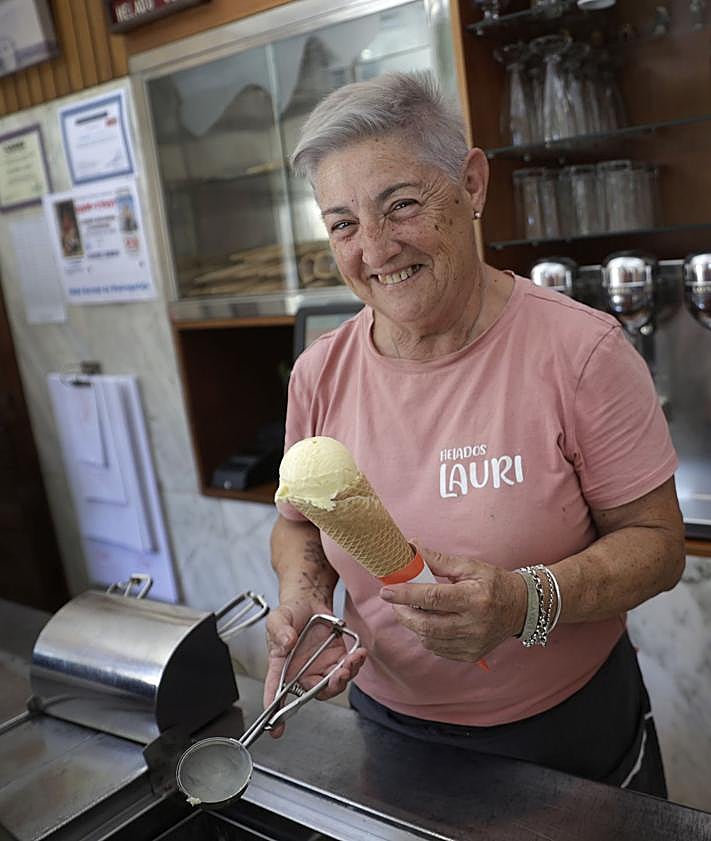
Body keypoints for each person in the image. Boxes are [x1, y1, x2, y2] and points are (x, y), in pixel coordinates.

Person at [265, 72, 685, 796]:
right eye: (342, 224)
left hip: (566, 733)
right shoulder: (318, 373)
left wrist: (525, 601)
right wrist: (304, 600)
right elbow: (301, 526)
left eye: (400, 206)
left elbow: (658, 544)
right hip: (390, 728)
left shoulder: (580, 352)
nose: (374, 248)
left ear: (470, 183)